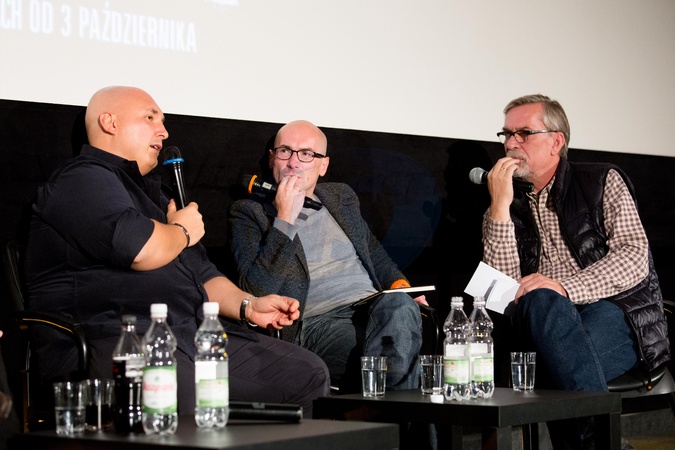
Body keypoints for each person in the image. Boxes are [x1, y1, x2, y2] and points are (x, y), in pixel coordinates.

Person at [23, 86, 330, 418]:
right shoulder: (81, 178)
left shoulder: (156, 195)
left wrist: (248, 305)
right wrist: (182, 231)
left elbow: (203, 274)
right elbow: (139, 248)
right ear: (109, 122)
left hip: (187, 335)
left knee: (306, 373)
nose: (164, 131)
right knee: (174, 393)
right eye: (150, 118)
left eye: (162, 121)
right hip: (116, 340)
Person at [482, 94, 670, 449]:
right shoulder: (501, 207)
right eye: (506, 134)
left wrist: (564, 287)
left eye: (524, 133)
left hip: (614, 311)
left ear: (556, 141)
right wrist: (500, 209)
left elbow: (634, 256)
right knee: (541, 305)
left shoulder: (601, 180)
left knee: (553, 364)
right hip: (542, 320)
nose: (510, 143)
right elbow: (500, 294)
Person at [228, 120, 424, 393]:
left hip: (375, 307)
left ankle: (386, 411)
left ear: (323, 165)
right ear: (272, 158)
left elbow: (375, 254)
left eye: (306, 154)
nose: (293, 162)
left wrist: (401, 287)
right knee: (403, 367)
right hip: (318, 322)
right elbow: (256, 290)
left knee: (400, 305)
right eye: (285, 151)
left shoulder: (340, 197)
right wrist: (285, 219)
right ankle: (400, 411)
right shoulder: (249, 213)